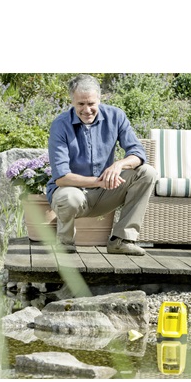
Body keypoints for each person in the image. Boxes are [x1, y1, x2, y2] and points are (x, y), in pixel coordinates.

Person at [47, 74, 158, 255]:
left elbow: (138, 154)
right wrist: (98, 181)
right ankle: (65, 243)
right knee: (69, 197)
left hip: (106, 192)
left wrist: (119, 165)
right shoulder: (60, 125)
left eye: (91, 103)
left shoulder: (116, 116)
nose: (87, 110)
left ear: (99, 99)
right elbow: (61, 178)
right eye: (81, 104)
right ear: (72, 101)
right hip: (74, 193)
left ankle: (121, 241)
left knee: (147, 172)